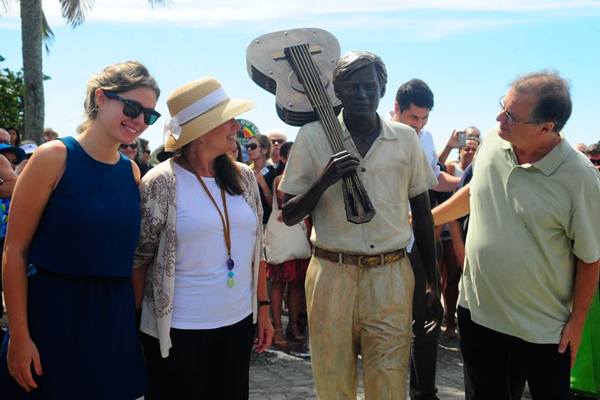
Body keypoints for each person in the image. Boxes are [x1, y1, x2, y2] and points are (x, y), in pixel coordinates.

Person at [432, 72, 600, 400]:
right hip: (479, 314)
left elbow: (590, 256)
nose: (498, 119)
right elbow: (474, 192)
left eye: (510, 115)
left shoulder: (580, 178)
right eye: (502, 107)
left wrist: (578, 319)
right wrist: (424, 219)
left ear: (546, 127)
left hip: (543, 330)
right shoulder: (496, 141)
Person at [280, 51, 437, 399]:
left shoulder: (405, 139)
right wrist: (323, 180)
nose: (362, 95)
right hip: (331, 274)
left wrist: (432, 283)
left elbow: (423, 214)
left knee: (390, 382)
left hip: (391, 273)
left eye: (370, 86)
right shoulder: (313, 136)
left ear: (383, 88)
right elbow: (288, 213)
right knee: (333, 380)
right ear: (338, 90)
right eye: (352, 88)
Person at [0, 60, 160, 399]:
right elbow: (15, 250)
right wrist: (19, 335)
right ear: (101, 98)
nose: (140, 121)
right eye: (132, 107)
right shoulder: (54, 157)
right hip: (54, 316)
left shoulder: (130, 172)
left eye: (150, 115)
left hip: (113, 322)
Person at [133, 77, 273, 400]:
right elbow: (139, 260)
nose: (236, 126)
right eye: (228, 119)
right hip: (178, 332)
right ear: (199, 131)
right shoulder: (161, 182)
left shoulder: (244, 176)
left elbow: (258, 249)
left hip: (237, 325)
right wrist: (138, 325)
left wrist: (263, 308)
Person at [392, 78, 448, 400]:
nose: (419, 125)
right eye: (413, 118)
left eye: (424, 119)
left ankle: (424, 392)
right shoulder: (379, 137)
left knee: (427, 317)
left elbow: (433, 184)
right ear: (397, 109)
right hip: (386, 247)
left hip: (417, 241)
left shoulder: (424, 139)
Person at [267, 141, 309, 348]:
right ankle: (278, 328)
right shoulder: (280, 179)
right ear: (283, 159)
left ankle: (293, 325)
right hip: (284, 239)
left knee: (296, 285)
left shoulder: (304, 179)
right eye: (291, 155)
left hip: (298, 238)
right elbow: (286, 205)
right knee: (278, 283)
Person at [246, 134, 276, 225]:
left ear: (264, 150)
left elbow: (275, 205)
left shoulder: (273, 172)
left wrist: (264, 185)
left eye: (253, 147)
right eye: (247, 147)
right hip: (249, 223)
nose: (249, 150)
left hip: (267, 224)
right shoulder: (246, 171)